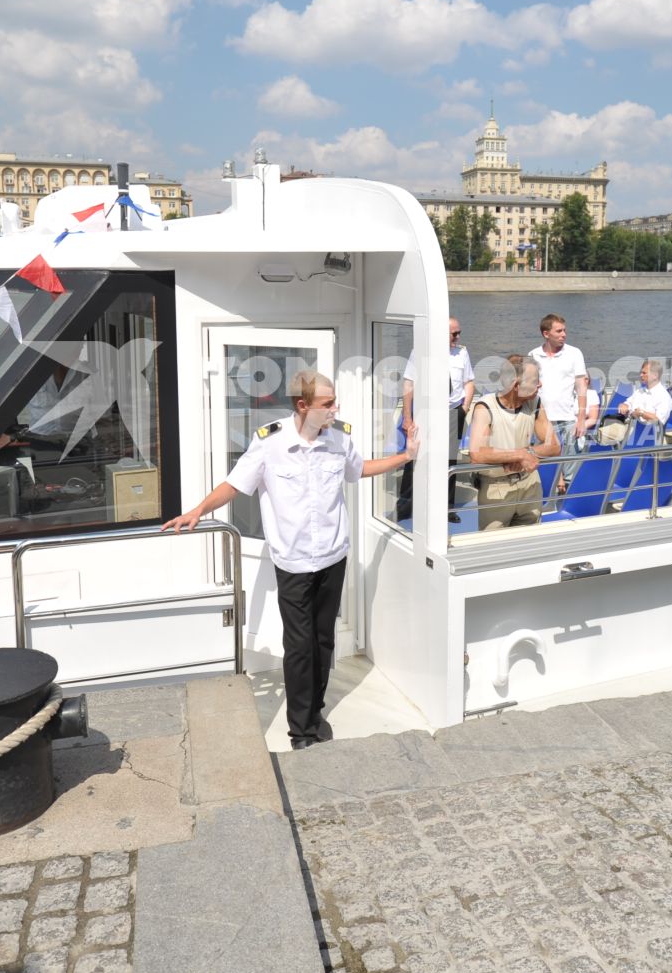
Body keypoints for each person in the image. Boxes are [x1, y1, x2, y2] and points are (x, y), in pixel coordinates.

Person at [163, 370, 414, 749]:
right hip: (294, 563)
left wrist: (405, 457)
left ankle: (315, 712)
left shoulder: (340, 438)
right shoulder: (270, 443)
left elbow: (358, 470)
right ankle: (301, 731)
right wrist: (199, 510)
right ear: (303, 406)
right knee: (299, 646)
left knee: (323, 640)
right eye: (327, 404)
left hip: (333, 556)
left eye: (334, 402)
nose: (335, 409)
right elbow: (235, 484)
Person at [396, 317, 477, 523]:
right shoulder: (421, 352)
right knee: (414, 457)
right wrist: (407, 417)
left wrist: (464, 408)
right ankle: (405, 507)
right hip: (426, 413)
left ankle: (447, 509)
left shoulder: (462, 352)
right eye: (454, 334)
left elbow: (469, 382)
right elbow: (408, 385)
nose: (458, 337)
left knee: (449, 460)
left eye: (459, 333)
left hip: (452, 412)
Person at [467, 356, 560, 531]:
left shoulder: (535, 403)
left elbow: (554, 446)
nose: (540, 385)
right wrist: (519, 455)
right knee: (492, 546)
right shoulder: (485, 408)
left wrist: (527, 452)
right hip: (497, 490)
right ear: (516, 385)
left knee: (528, 543)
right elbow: (477, 453)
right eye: (535, 381)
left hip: (530, 486)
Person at [528, 314, 592, 488]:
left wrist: (581, 419)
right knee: (547, 467)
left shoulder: (574, 353)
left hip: (569, 418)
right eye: (559, 331)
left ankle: (569, 501)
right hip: (543, 420)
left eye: (564, 330)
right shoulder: (533, 355)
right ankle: (547, 502)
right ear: (546, 334)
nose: (564, 334)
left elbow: (581, 386)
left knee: (571, 468)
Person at [618, 360, 672, 429]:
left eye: (644, 373)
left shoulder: (664, 397)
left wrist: (641, 413)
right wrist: (624, 405)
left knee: (603, 434)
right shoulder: (640, 391)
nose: (641, 375)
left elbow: (658, 421)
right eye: (641, 372)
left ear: (655, 376)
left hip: (645, 433)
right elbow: (629, 403)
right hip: (628, 426)